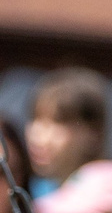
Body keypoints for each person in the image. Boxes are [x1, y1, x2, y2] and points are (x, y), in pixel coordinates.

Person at [24, 69, 107, 198]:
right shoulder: (38, 191)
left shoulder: (108, 196)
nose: (37, 136)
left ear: (93, 133)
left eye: (57, 122)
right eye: (35, 118)